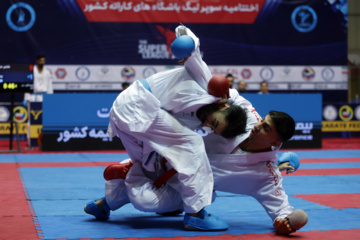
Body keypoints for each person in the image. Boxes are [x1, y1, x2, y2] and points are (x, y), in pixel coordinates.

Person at [84, 25, 247, 231]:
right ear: (223, 105)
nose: (207, 124)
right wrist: (186, 42)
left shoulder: (197, 120)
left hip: (128, 117)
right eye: (214, 121)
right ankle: (195, 214)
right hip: (139, 103)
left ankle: (105, 203)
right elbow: (193, 52)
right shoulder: (208, 84)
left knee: (148, 166)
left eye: (212, 128)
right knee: (192, 143)